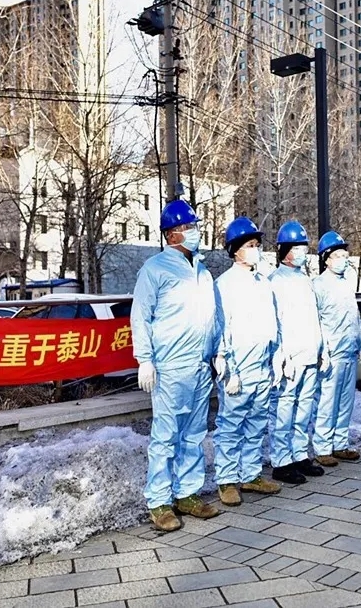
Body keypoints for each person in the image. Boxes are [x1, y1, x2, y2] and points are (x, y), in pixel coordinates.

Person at [131, 199, 222, 532]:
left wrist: (219, 352)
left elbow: (215, 317)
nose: (193, 232)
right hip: (171, 365)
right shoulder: (155, 269)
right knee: (166, 435)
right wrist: (145, 359)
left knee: (194, 434)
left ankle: (187, 494)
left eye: (194, 226)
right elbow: (140, 316)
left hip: (200, 364)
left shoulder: (203, 272)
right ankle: (158, 501)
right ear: (171, 234)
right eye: (187, 227)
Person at [213, 216, 284, 506]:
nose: (256, 250)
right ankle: (227, 480)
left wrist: (277, 355)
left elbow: (273, 321)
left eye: (257, 244)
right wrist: (226, 366)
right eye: (250, 245)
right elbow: (220, 327)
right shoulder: (224, 285)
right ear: (235, 250)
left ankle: (251, 474)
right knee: (231, 425)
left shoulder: (263, 283)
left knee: (256, 423)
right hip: (238, 367)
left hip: (262, 364)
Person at [267, 220, 327, 484]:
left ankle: (300, 454)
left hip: (310, 354)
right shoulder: (275, 282)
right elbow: (274, 323)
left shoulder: (305, 280)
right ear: (285, 251)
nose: (303, 252)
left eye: (304, 247)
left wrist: (322, 349)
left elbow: (315, 318)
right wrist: (281, 355)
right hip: (290, 358)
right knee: (283, 409)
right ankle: (281, 461)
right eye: (298, 247)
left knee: (304, 408)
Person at [312, 231, 361, 467]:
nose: (343, 259)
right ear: (326, 259)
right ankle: (323, 448)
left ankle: (340, 443)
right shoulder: (319, 285)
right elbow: (316, 321)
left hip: (349, 350)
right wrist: (322, 350)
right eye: (338, 255)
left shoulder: (345, 284)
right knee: (327, 402)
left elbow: (354, 316)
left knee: (345, 402)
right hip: (332, 353)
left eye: (345, 255)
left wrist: (360, 342)